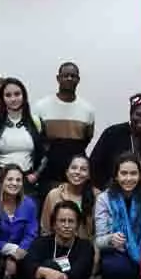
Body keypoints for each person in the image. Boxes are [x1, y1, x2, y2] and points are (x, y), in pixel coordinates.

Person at [33, 62, 96, 196]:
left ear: (78, 80)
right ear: (58, 78)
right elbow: (36, 140)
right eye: (65, 75)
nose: (69, 79)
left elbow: (87, 138)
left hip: (76, 173)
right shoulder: (41, 107)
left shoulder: (87, 110)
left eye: (73, 76)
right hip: (48, 172)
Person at [0, 78, 47, 192]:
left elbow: (45, 154)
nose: (13, 99)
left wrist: (36, 175)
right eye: (8, 95)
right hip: (0, 182)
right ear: (2, 98)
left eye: (17, 94)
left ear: (24, 96)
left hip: (26, 182)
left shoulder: (36, 122)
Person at [91, 93, 141, 189]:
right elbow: (94, 164)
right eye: (138, 114)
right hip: (111, 191)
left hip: (139, 192)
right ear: (131, 113)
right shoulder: (112, 133)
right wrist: (97, 189)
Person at [41, 154, 95, 238]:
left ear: (89, 175)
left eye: (83, 169)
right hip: (57, 243)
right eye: (74, 168)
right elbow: (46, 228)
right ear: (67, 172)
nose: (77, 172)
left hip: (86, 244)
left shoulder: (97, 197)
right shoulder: (54, 195)